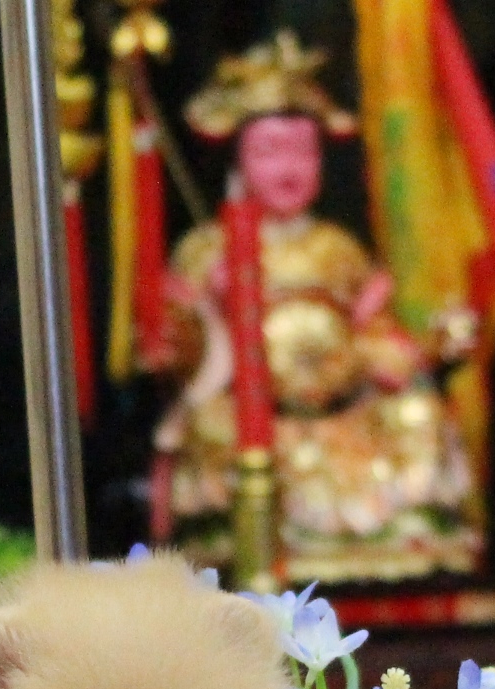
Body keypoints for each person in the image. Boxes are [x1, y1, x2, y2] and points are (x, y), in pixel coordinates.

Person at [151, 33, 477, 585]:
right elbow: (178, 350)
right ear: (239, 159)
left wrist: (423, 350)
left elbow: (374, 331)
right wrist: (210, 314)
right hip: (256, 417)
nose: (288, 169)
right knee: (212, 427)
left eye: (303, 152)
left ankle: (407, 526)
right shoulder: (209, 251)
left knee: (419, 415)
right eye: (269, 152)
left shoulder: (337, 249)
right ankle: (246, 537)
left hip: (343, 415)